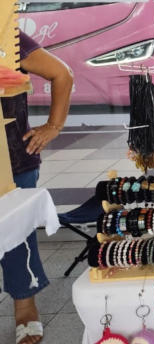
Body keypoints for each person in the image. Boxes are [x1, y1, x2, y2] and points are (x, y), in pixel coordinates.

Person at [1, 31, 73, 344]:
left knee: (18, 237)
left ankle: (25, 306)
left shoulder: (4, 31)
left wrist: (53, 126)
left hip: (13, 160)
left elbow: (61, 74)